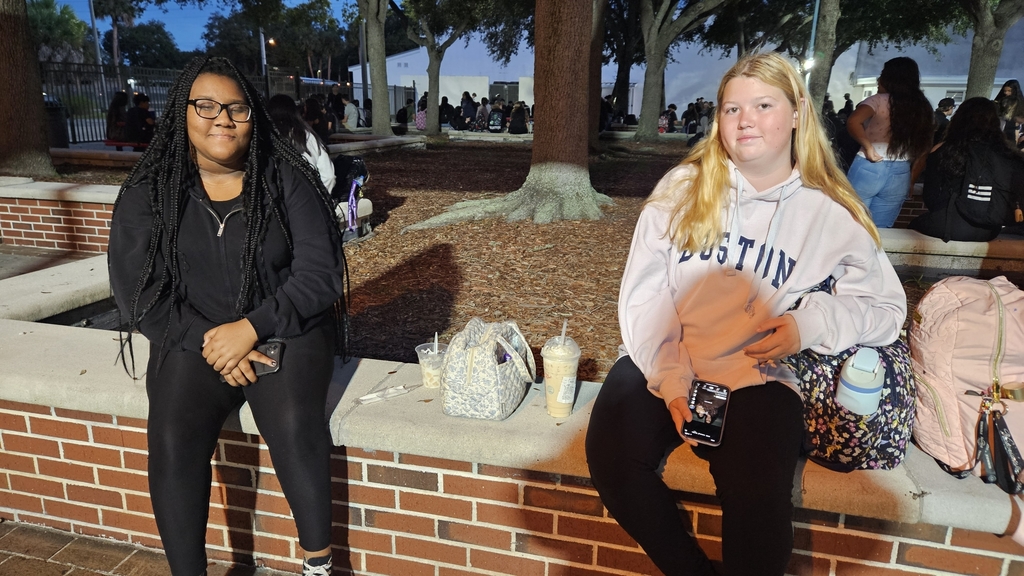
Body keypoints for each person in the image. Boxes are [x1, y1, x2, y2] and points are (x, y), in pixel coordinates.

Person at [585, 52, 906, 576]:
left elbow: (887, 309)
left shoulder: (830, 209)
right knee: (612, 456)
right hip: (666, 359)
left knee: (757, 489)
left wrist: (809, 325)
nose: (745, 120)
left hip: (757, 370)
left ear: (799, 111)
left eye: (762, 104)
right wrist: (670, 379)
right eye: (732, 109)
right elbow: (646, 296)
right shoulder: (682, 189)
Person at [107, 56, 346, 576]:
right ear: (183, 113)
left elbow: (320, 276)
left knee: (291, 421)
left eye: (236, 107)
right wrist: (212, 341)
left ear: (253, 116)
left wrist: (251, 328)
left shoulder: (286, 178)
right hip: (192, 334)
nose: (223, 119)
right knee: (171, 432)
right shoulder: (150, 190)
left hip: (285, 327)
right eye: (207, 106)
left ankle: (318, 562)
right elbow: (139, 293)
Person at [909, 97, 1024, 242]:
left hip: (949, 225)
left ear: (959, 119)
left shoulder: (946, 149)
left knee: (913, 227)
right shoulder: (1005, 154)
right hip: (989, 230)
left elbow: (930, 196)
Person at [846, 57, 933, 227]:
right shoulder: (922, 107)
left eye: (882, 75)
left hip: (869, 164)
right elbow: (924, 149)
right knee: (881, 232)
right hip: (901, 171)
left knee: (849, 223)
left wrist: (868, 146)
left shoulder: (878, 100)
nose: (878, 80)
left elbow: (853, 121)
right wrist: (911, 179)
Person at [268, 93, 336, 193]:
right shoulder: (307, 136)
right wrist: (320, 198)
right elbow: (329, 176)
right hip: (310, 200)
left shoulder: (266, 139)